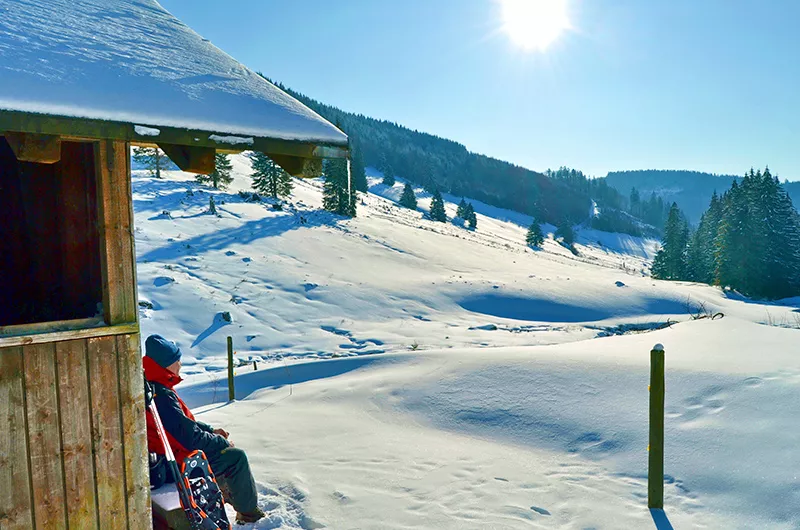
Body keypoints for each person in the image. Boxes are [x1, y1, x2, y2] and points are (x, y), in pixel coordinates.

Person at [143, 334, 265, 524]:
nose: (180, 365)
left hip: (168, 455)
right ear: (165, 365)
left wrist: (210, 430)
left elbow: (182, 424)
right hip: (175, 463)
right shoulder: (162, 395)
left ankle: (228, 496)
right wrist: (220, 442)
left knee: (221, 450)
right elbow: (188, 437)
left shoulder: (155, 386)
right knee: (235, 457)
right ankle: (249, 515)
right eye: (177, 360)